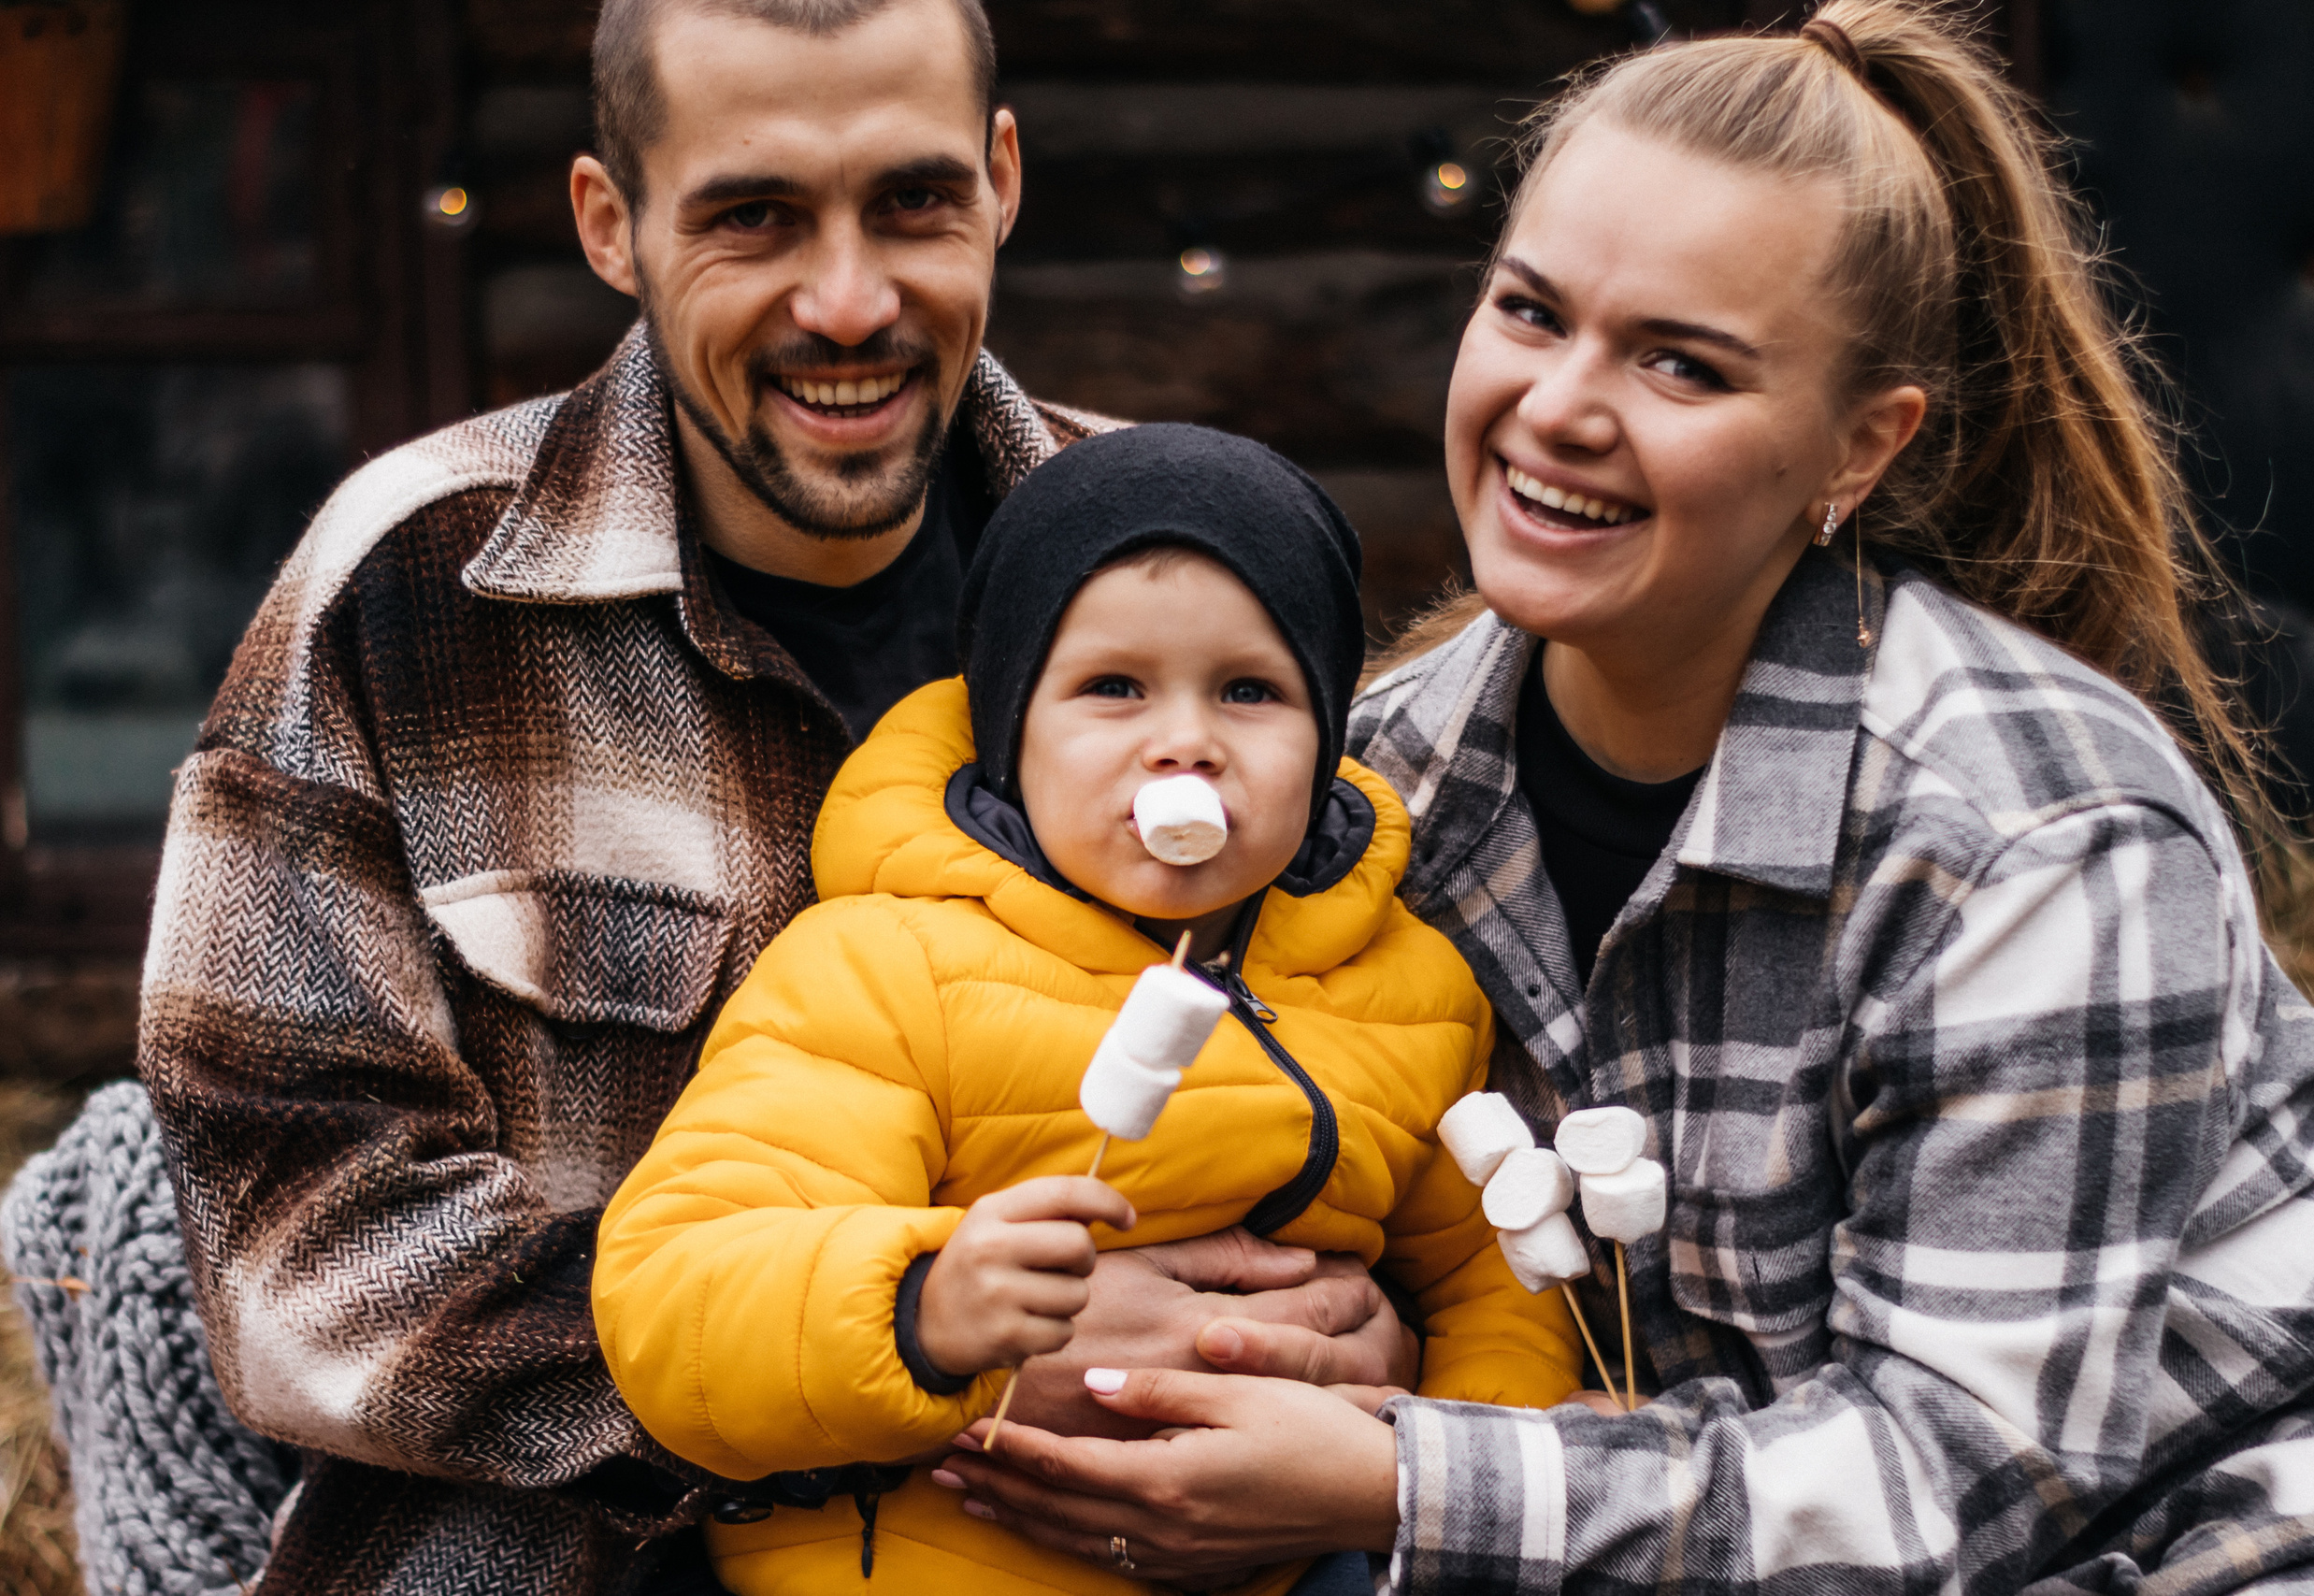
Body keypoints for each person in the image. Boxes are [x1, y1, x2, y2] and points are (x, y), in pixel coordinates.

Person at [932, 4, 2314, 1589]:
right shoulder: (1385, 790)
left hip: (2245, 1517)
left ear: (1858, 450)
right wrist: (1342, 1337)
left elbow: (1956, 1480)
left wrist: (1407, 1474)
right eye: (1530, 311)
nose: (1560, 404)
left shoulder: (2036, 840)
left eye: (1680, 364)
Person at [113, 4, 1416, 1594]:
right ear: (612, 223)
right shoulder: (408, 585)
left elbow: (1370, 1016)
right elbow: (298, 1242)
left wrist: (1366, 1337)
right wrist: (910, 1354)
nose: (850, 299)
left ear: (1002, 181)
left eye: (913, 203)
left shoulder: (1190, 573)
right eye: (754, 217)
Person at [591, 424, 1581, 1596]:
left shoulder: (1409, 991)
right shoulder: (886, 967)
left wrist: (1440, 1462)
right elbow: (674, 1290)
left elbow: (1486, 1283)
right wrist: (921, 1304)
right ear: (1012, 732)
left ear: (1325, 741)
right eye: (1112, 687)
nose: (1184, 744)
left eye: (1250, 691)